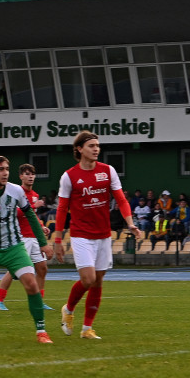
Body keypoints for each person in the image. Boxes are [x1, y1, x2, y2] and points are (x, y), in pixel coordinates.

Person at [53, 131, 143, 340]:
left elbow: (121, 199)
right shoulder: (69, 176)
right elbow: (61, 209)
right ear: (79, 149)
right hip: (81, 234)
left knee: (98, 281)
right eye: (91, 146)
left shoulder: (108, 171)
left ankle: (87, 329)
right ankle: (68, 309)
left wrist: (130, 223)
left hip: (103, 234)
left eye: (97, 145)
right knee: (88, 278)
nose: (96, 149)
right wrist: (58, 240)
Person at [0, 156, 55, 343]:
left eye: (6, 169)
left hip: (14, 247)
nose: (5, 173)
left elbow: (31, 216)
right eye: (0, 169)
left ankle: (41, 332)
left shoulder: (16, 191)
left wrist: (43, 242)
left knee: (31, 284)